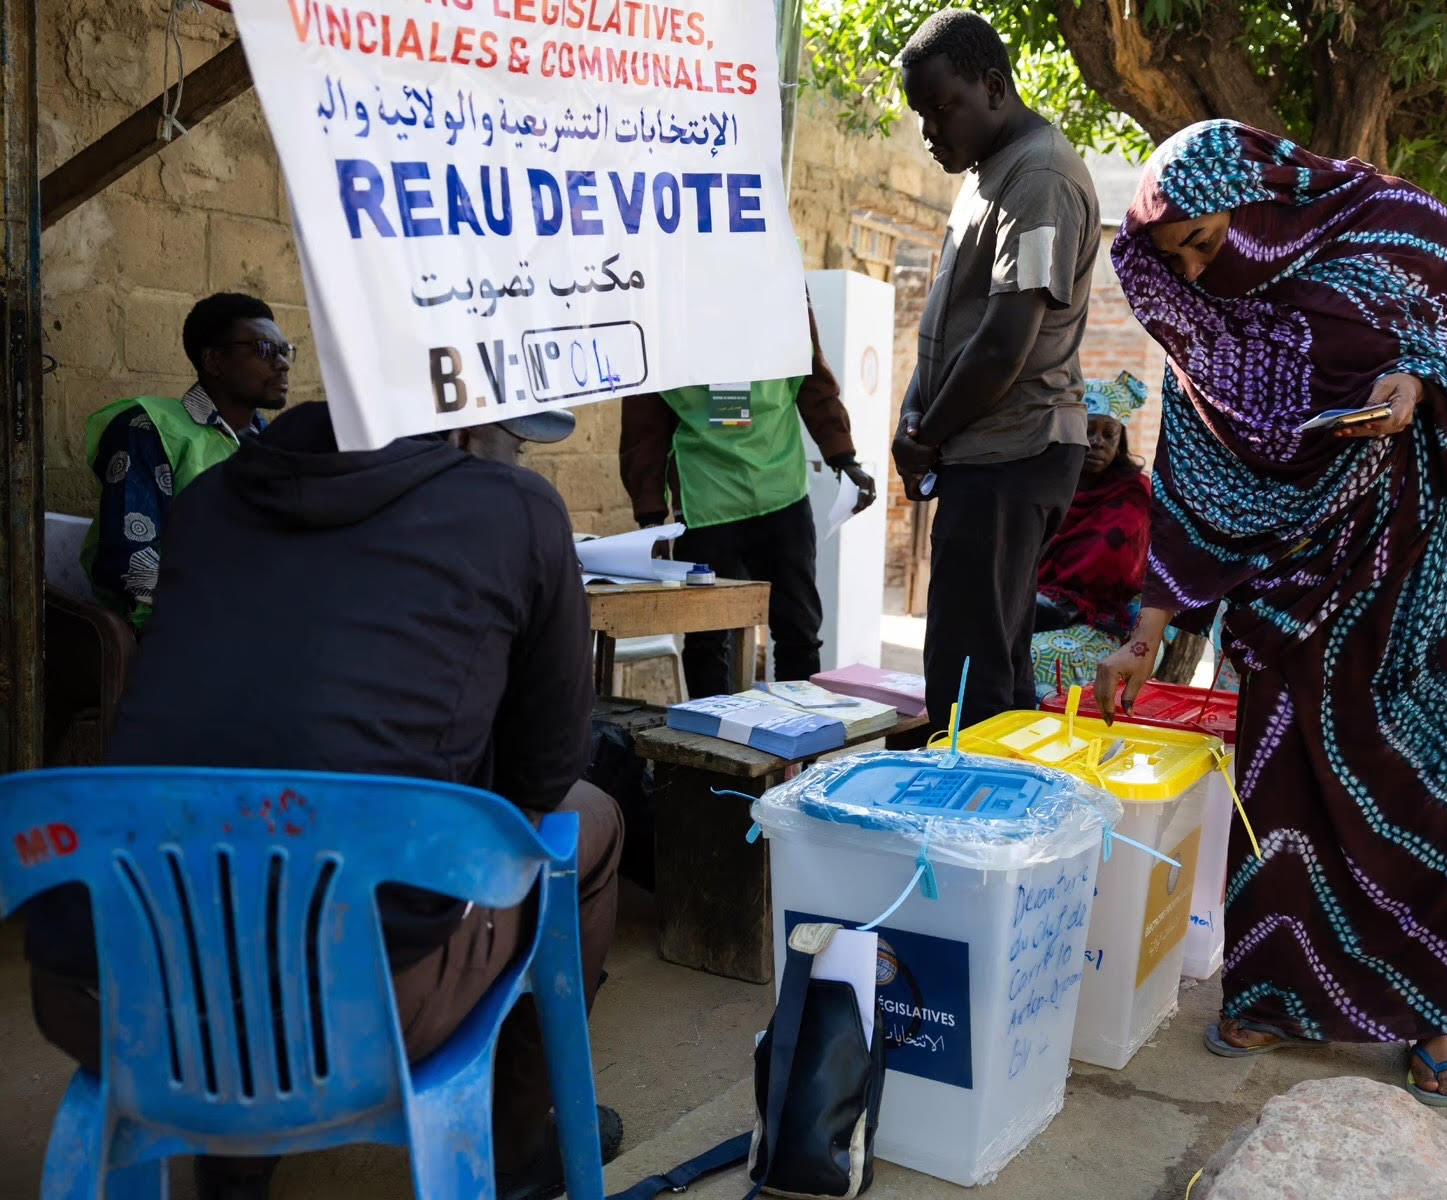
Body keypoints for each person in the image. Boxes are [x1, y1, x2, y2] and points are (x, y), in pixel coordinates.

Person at [27, 402, 623, 1200]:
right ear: (458, 424)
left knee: (254, 822)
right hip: (360, 1007)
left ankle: (232, 1165)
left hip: (104, 992)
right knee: (590, 821)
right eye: (513, 440)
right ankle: (516, 1149)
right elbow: (544, 772)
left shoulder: (207, 499)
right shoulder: (516, 509)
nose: (517, 459)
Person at [1094, 120, 1447, 1107]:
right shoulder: (1204, 317)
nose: (1198, 268)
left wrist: (1421, 385)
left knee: (1439, 781)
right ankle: (1275, 989)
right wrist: (1146, 629)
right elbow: (1193, 477)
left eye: (1205, 241)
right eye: (1175, 254)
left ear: (1250, 193)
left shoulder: (1402, 235)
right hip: (1294, 586)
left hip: (1427, 570)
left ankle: (1435, 1006)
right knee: (1284, 786)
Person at [891, 8, 1100, 729]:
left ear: (994, 85)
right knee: (989, 669)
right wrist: (913, 419)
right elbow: (952, 327)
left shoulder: (1038, 175)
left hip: (1015, 448)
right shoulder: (991, 173)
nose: (930, 131)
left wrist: (927, 437)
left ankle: (969, 836)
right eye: (920, 114)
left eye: (942, 106)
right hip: (984, 449)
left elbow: (1006, 340)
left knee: (968, 681)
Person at [619, 302, 877, 698]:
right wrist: (651, 514)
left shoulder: (781, 281)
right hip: (707, 504)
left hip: (781, 496)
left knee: (798, 633)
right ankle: (712, 755)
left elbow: (814, 382)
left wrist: (844, 457)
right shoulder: (670, 295)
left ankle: (800, 754)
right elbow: (645, 424)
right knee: (708, 639)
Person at [81, 292, 292, 627]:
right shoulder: (149, 428)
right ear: (214, 361)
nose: (282, 363)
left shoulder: (276, 447)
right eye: (265, 349)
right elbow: (130, 564)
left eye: (285, 351)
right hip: (186, 633)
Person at [1030, 372, 1153, 697]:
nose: (1098, 442)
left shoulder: (1132, 491)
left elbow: (1114, 563)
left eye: (1109, 434)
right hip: (1039, 607)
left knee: (1034, 656)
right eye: (1089, 431)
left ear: (1120, 440)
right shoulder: (1051, 485)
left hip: (1107, 623)